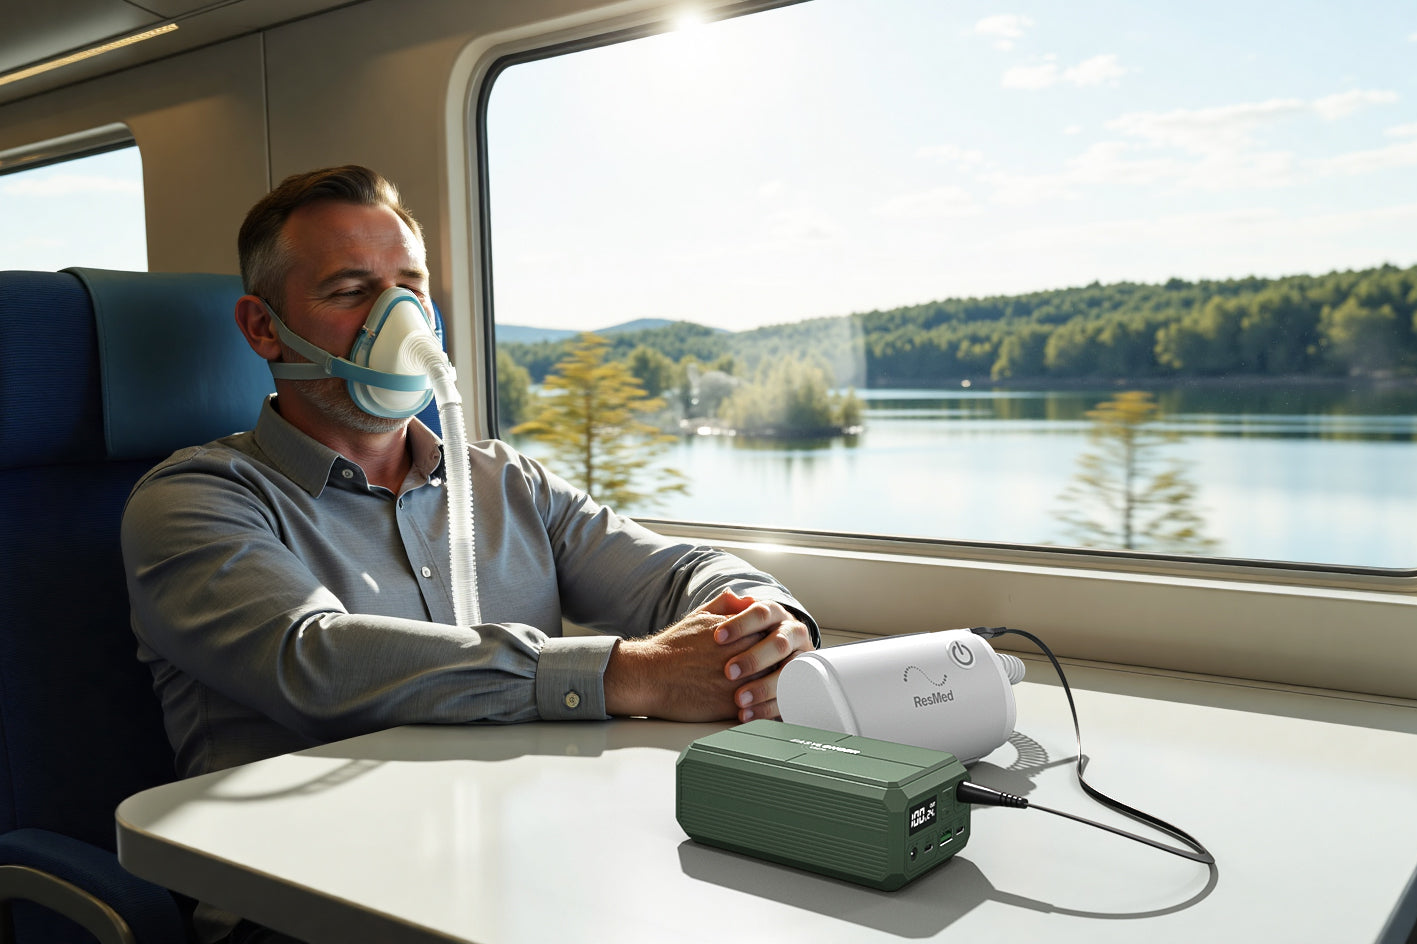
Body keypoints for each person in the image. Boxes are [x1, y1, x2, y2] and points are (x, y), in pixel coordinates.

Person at [121, 165, 818, 941]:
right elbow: (313, 659)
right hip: (307, 902)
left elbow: (681, 573)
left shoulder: (501, 479)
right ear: (262, 329)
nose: (400, 320)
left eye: (409, 289)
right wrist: (633, 673)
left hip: (518, 864)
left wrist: (765, 626)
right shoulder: (195, 501)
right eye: (352, 292)